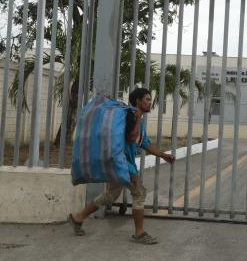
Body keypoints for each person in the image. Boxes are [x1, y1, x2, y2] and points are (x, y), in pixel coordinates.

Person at [68, 88, 175, 244]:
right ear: (138, 101)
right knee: (139, 192)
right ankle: (139, 233)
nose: (150, 102)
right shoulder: (131, 116)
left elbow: (144, 144)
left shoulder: (136, 117)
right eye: (147, 99)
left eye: (150, 99)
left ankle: (78, 217)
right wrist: (137, 119)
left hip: (119, 163)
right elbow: (132, 137)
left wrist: (164, 156)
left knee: (111, 195)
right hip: (122, 163)